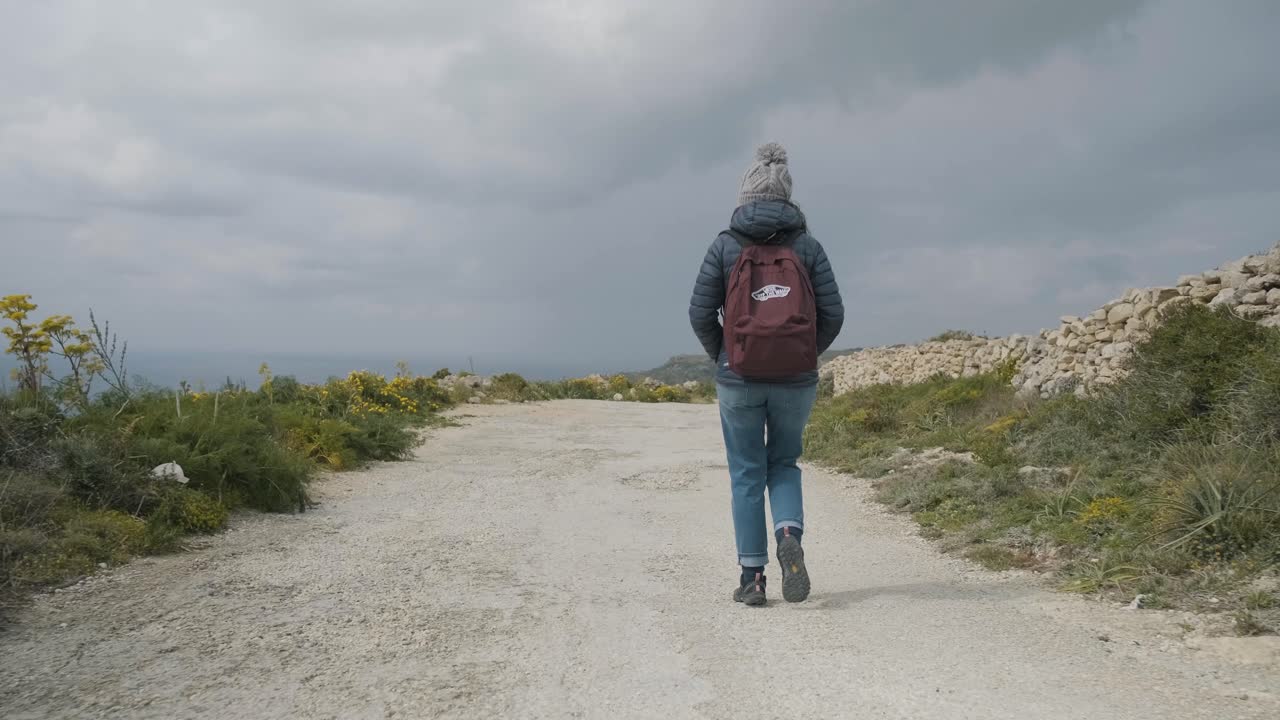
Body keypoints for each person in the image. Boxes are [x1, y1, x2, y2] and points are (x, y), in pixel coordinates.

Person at [688, 143, 844, 606]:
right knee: (784, 463)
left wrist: (729, 355)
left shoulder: (725, 245)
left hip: (737, 377)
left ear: (745, 194)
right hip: (796, 380)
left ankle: (752, 577)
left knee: (746, 473)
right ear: (787, 195)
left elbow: (699, 314)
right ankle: (788, 536)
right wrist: (803, 354)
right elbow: (833, 315)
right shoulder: (808, 246)